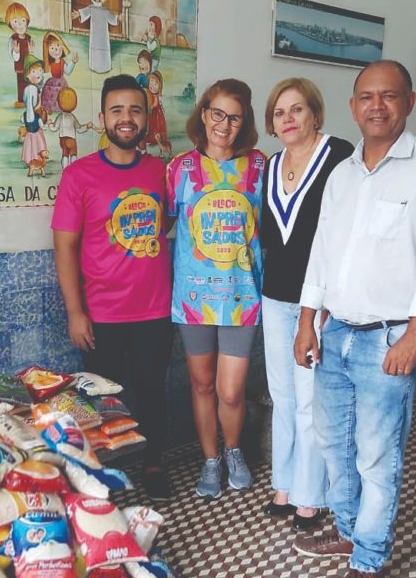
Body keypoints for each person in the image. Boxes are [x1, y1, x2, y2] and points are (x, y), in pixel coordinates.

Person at [293, 60, 416, 578]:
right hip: (337, 330)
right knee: (334, 443)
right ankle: (348, 529)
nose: (377, 106)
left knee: (377, 455)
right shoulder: (342, 175)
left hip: (391, 337)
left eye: (389, 96)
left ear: (409, 102)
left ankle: (368, 559)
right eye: (366, 96)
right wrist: (307, 319)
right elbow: (322, 250)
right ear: (352, 106)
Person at [51, 74, 174, 500]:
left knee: (153, 392)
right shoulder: (79, 176)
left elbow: (166, 224)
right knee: (101, 401)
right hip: (100, 314)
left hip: (155, 310)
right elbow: (64, 247)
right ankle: (103, 473)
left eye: (135, 110)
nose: (127, 118)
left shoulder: (160, 172)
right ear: (102, 117)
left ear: (146, 118)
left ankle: (154, 463)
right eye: (117, 110)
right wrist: (75, 312)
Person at [260, 78, 354, 531]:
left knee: (310, 399)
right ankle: (284, 484)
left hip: (317, 302)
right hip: (274, 296)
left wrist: (327, 301)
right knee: (282, 397)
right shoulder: (272, 164)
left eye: (297, 109)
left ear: (315, 112)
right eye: (280, 113)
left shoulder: (339, 155)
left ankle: (310, 496)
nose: (289, 119)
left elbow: (346, 233)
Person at [166, 79, 266, 499]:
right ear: (204, 114)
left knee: (231, 389)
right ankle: (210, 459)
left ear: (245, 122)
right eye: (217, 113)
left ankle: (234, 450)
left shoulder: (260, 167)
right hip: (194, 299)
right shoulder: (179, 169)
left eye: (235, 117)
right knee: (203, 385)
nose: (224, 125)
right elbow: (162, 227)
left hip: (242, 297)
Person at [40, 31, 79, 115]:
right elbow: (44, 72)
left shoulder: (62, 62)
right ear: (47, 50)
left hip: (61, 82)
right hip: (52, 82)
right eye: (52, 48)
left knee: (61, 96)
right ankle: (49, 108)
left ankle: (61, 107)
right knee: (50, 95)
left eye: (58, 45)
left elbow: (67, 71)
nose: (56, 50)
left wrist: (73, 62)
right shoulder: (50, 63)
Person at [5, 3, 34, 108]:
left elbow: (31, 54)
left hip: (29, 66)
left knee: (30, 83)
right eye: (16, 21)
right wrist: (16, 51)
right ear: (10, 24)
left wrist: (31, 52)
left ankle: (31, 99)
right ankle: (21, 100)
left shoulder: (29, 38)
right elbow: (13, 56)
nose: (20, 24)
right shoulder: (13, 39)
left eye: (23, 20)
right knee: (21, 84)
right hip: (20, 67)